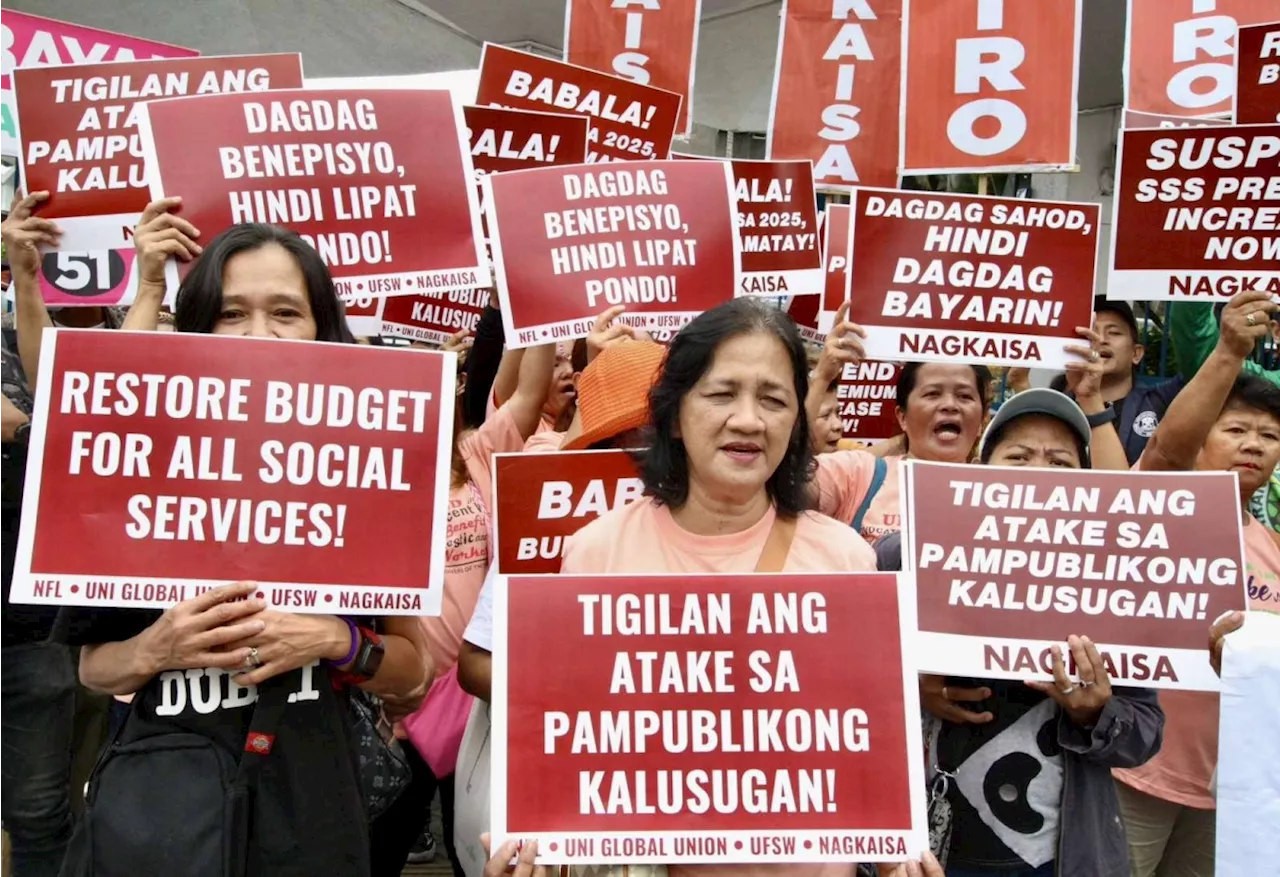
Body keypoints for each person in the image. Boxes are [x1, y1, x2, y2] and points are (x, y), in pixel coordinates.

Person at [49, 200, 434, 877]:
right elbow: (92, 667)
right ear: (198, 325)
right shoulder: (139, 467)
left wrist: (333, 639)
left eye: (286, 311)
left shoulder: (371, 471)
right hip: (171, 816)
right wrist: (155, 646)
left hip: (313, 818)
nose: (261, 332)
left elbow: (412, 669)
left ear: (322, 327)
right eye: (232, 311)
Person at [559, 297, 875, 877]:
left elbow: (866, 754)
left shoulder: (847, 560)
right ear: (674, 415)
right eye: (722, 393)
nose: (749, 420)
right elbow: (571, 748)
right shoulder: (596, 554)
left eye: (774, 399)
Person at [876, 388, 1165, 877]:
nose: (1039, 472)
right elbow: (852, 703)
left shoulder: (1117, 583)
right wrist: (912, 687)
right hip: (926, 852)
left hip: (1053, 855)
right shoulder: (902, 557)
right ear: (982, 471)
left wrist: (1096, 711)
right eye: (1019, 456)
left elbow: (1143, 734)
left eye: (1060, 461)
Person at [1112, 289, 1280, 877]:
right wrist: (1232, 346)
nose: (1254, 445)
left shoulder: (1272, 548)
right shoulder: (1163, 506)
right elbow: (1166, 448)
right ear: (1203, 435)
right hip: (1139, 773)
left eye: (1269, 436)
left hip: (1229, 792)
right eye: (1235, 429)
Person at [457, 334, 666, 702]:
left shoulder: (708, 512)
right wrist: (578, 698)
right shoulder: (547, 506)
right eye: (627, 434)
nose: (645, 447)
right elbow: (475, 664)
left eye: (657, 429)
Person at [0, 193, 76, 877]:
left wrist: (20, 429)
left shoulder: (20, 344)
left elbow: (67, 421)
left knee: (38, 810)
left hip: (28, 633)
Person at [1008, 299, 1184, 465]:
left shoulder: (1162, 402)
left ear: (1136, 353)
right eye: (1090, 333)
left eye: (1114, 332)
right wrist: (1021, 385)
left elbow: (1195, 341)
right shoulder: (1058, 406)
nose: (1100, 340)